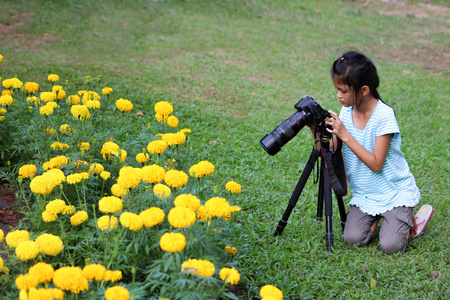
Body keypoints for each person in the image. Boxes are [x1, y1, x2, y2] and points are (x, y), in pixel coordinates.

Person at [322, 51, 433, 254]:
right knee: (352, 238)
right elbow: (335, 151)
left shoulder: (384, 116)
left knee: (391, 246)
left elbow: (376, 164)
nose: (338, 95)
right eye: (336, 89)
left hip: (394, 192)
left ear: (364, 90)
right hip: (367, 194)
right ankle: (379, 218)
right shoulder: (347, 111)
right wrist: (321, 132)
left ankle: (409, 219)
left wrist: (345, 134)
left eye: (343, 90)